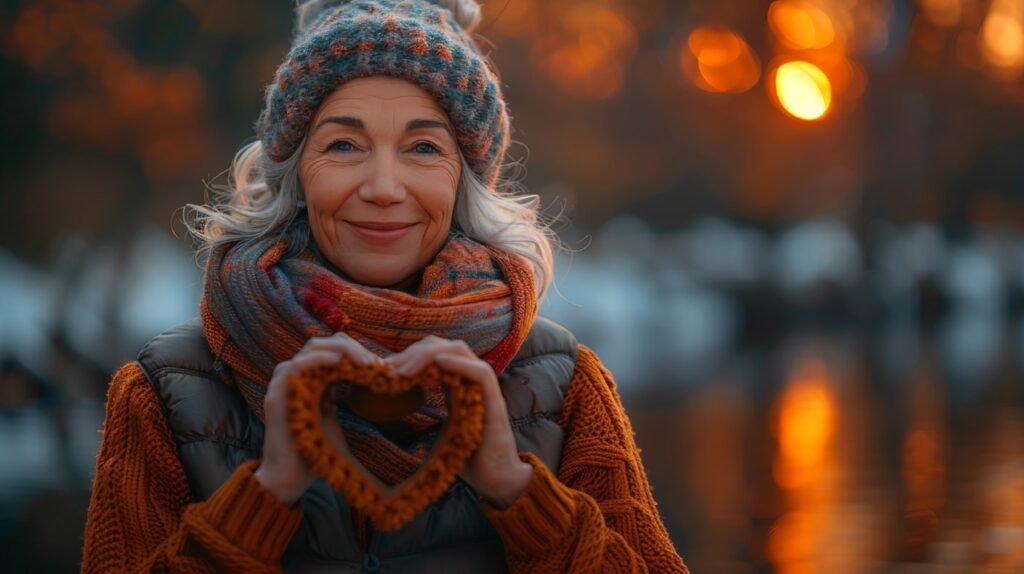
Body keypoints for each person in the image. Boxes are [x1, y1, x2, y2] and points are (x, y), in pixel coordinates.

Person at [81, 0, 689, 572]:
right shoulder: (161, 394)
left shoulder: (564, 387)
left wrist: (520, 493)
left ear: (463, 182)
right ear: (296, 176)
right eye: (344, 145)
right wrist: (263, 499)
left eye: (423, 147)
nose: (383, 187)